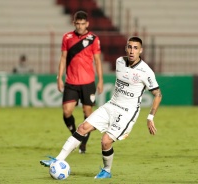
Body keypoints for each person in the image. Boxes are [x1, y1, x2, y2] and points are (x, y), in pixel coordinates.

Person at [40, 36, 162, 179]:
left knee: (105, 141)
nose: (132, 51)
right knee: (82, 128)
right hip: (111, 105)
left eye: (135, 48)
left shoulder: (146, 71)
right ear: (125, 48)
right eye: (129, 47)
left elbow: (158, 94)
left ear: (140, 51)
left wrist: (150, 117)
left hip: (127, 113)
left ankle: (107, 170)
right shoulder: (119, 62)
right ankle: (58, 159)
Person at [57, 10, 104, 154]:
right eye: (77, 24)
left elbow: (97, 60)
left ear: (87, 24)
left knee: (88, 113)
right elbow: (64, 58)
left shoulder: (93, 39)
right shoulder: (67, 37)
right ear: (74, 23)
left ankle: (83, 143)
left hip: (88, 82)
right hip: (71, 81)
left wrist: (101, 80)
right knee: (66, 111)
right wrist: (59, 77)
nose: (80, 26)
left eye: (83, 24)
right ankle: (74, 134)